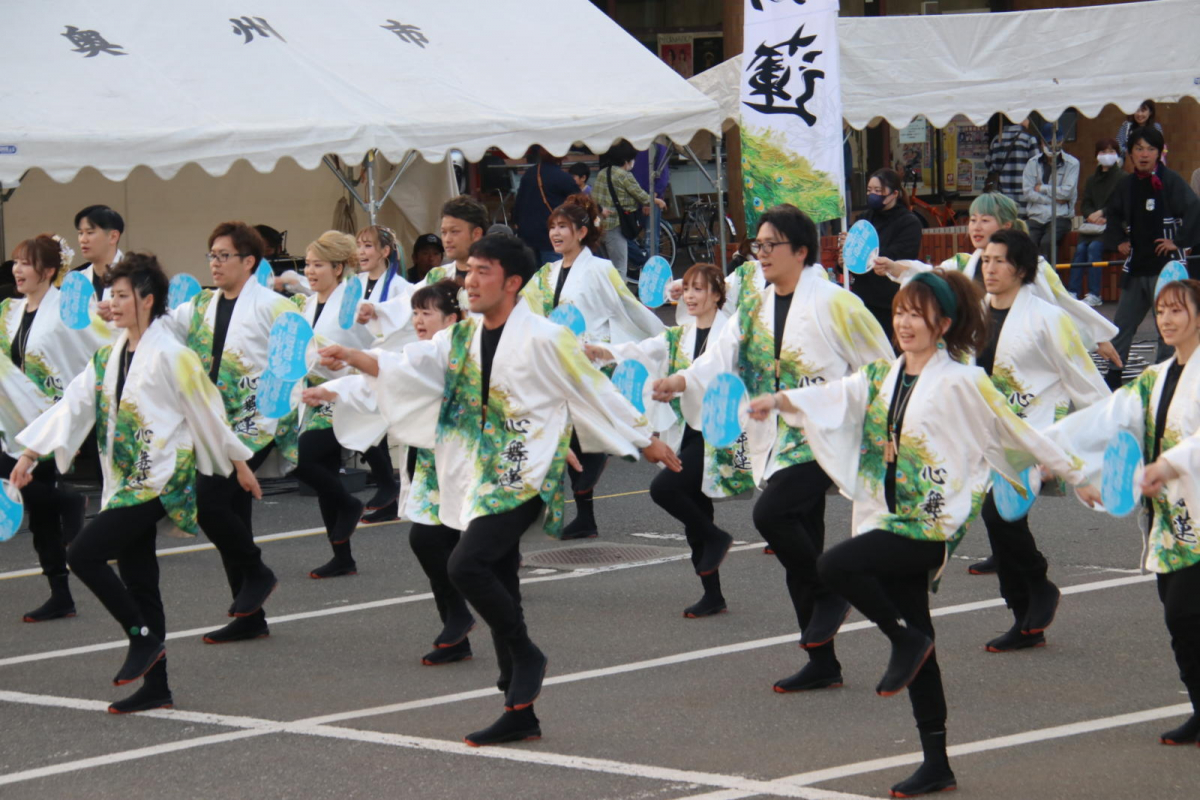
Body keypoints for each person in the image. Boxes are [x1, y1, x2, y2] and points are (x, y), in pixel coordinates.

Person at [312, 233, 680, 746]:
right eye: (468, 272)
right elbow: (406, 366)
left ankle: (526, 654)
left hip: (523, 473)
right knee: (501, 580)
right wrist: (354, 356)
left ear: (512, 282)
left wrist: (645, 441)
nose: (470, 281)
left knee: (466, 564)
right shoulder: (458, 338)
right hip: (474, 475)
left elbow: (593, 389)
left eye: (482, 271)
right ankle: (519, 709)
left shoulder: (545, 337)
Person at [749, 268, 1084, 798]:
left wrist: (1073, 472)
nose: (904, 322)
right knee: (920, 651)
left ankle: (904, 637)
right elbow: (834, 396)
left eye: (917, 313)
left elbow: (1013, 433)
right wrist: (781, 400)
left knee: (834, 566)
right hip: (885, 516)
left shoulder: (963, 380)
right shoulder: (884, 374)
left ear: (944, 323)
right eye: (900, 311)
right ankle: (936, 760)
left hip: (927, 524)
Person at [653, 204, 894, 694]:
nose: (759, 254)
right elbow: (722, 355)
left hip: (825, 431)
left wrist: (889, 430)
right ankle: (821, 658)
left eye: (770, 245)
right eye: (757, 246)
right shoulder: (756, 306)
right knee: (797, 544)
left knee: (772, 515)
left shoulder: (836, 302)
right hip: (779, 438)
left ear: (801, 251)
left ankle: (832, 591)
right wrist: (681, 378)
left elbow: (883, 366)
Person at [11, 253, 261, 714]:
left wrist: (238, 461)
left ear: (148, 300)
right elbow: (74, 407)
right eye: (111, 295)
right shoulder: (109, 354)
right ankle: (157, 686)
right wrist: (30, 452)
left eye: (123, 295)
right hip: (123, 480)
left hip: (163, 477)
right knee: (141, 579)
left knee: (82, 553)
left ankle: (142, 637)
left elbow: (206, 411)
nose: (114, 303)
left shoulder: (173, 355)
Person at [1048, 279, 1200, 747]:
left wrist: (1169, 462)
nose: (1167, 319)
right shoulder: (1155, 378)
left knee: (1186, 613)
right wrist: (1057, 456)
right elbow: (1105, 419)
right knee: (1179, 621)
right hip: (1170, 523)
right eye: (1161, 311)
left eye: (1178, 310)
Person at [311, 280, 477, 666]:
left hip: (467, 461)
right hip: (432, 463)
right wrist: (332, 390)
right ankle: (457, 627)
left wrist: (352, 358)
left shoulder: (459, 347)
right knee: (432, 541)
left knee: (454, 548)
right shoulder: (418, 353)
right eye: (415, 313)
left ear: (452, 318)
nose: (418, 320)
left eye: (427, 313)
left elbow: (391, 369)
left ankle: (483, 627)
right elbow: (382, 381)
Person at [973, 229, 1110, 652]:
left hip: (1034, 437)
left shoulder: (1048, 319)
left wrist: (1105, 435)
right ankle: (1025, 616)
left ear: (1023, 269)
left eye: (999, 261)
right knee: (999, 526)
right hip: (986, 438)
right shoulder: (976, 310)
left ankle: (1038, 585)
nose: (989, 268)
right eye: (986, 260)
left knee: (1001, 517)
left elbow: (1084, 382)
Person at [587, 263, 749, 617]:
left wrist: (679, 380)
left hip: (722, 431)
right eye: (687, 288)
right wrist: (606, 351)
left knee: (666, 489)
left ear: (718, 295)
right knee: (695, 512)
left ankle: (717, 537)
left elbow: (713, 372)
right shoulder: (679, 335)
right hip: (691, 430)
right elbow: (644, 349)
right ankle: (712, 592)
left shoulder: (730, 335)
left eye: (699, 289)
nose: (690, 295)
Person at [160, 222, 295, 644]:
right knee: (233, 512)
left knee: (211, 502)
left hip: (256, 421)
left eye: (224, 256)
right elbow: (161, 328)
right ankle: (250, 612)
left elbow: (291, 363)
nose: (215, 264)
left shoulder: (275, 307)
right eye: (212, 256)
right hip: (214, 422)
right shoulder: (200, 305)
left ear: (249, 261)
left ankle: (256, 572)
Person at [521, 195, 666, 539]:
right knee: (569, 437)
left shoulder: (599, 269)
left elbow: (627, 306)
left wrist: (662, 337)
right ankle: (586, 517)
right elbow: (522, 307)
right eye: (553, 227)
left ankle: (589, 489)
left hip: (593, 362)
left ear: (582, 232)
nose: (555, 234)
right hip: (560, 366)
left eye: (563, 227)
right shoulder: (546, 273)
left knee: (586, 437)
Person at [0, 234, 104, 622]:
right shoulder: (8, 311)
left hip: (51, 416)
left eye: (25, 263)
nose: (17, 270)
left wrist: (75, 425)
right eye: (15, 263)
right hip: (14, 421)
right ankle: (60, 591)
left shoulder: (68, 309)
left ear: (48, 270)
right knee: (39, 508)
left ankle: (60, 591)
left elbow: (90, 358)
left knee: (40, 512)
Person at [277, 231, 374, 579]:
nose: (311, 270)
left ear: (338, 267)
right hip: (314, 396)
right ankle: (342, 555)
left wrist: (348, 363)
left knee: (302, 458)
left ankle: (350, 503)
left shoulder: (353, 303)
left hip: (346, 392)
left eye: (318, 264)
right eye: (307, 264)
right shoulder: (307, 303)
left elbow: (374, 347)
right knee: (325, 471)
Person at [1102, 126, 1200, 390]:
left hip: (1166, 269)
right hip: (1136, 266)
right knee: (1121, 326)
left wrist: (1177, 242)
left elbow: (1194, 209)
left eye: (1150, 149)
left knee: (1167, 327)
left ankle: (1167, 379)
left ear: (1159, 153)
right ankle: (1112, 377)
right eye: (1139, 149)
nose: (1144, 154)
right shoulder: (1125, 184)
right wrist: (1119, 241)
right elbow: (1112, 214)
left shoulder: (1171, 180)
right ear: (1131, 153)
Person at [354, 225, 413, 522]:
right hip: (359, 360)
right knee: (360, 421)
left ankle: (391, 488)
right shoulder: (355, 283)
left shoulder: (401, 287)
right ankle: (388, 487)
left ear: (384, 252)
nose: (361, 252)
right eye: (359, 246)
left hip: (389, 360)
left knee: (382, 425)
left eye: (368, 246)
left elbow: (402, 326)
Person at [841, 168, 922, 341]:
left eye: (878, 191)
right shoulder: (864, 219)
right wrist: (844, 259)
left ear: (894, 194)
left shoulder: (909, 222)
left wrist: (862, 250)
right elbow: (853, 266)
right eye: (869, 190)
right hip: (862, 300)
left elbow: (901, 257)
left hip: (889, 303)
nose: (872, 195)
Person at [593, 140, 666, 283]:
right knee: (620, 268)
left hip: (600, 226)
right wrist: (658, 201)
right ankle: (618, 302)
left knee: (607, 268)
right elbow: (641, 196)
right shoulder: (624, 176)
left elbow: (595, 198)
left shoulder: (602, 173)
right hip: (616, 226)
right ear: (626, 160)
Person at [1069, 138, 1123, 306]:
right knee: (1080, 249)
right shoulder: (1092, 179)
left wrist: (1103, 213)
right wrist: (1091, 215)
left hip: (1112, 227)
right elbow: (1085, 203)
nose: (1107, 155)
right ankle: (1073, 291)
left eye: (1111, 151)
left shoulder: (1123, 177)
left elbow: (1120, 203)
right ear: (1096, 156)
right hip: (1092, 226)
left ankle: (1094, 294)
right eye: (1103, 152)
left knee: (1094, 248)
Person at [1022, 125, 1080, 263]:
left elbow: (1067, 192)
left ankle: (1049, 280)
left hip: (1060, 216)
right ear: (1042, 143)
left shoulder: (1072, 163)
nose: (1053, 146)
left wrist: (1042, 188)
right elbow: (1028, 193)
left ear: (1062, 142)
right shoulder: (1032, 163)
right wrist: (1054, 199)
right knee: (1027, 242)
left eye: (1057, 142)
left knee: (1047, 243)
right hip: (1035, 216)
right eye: (1049, 143)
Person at [513, 148, 578, 266]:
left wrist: (517, 223)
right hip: (551, 234)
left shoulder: (529, 174)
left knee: (534, 277)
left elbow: (518, 204)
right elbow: (580, 201)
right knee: (554, 276)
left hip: (528, 234)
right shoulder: (563, 177)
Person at [73, 205, 124, 312]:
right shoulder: (76, 281)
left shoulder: (137, 276)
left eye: (90, 233)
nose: (83, 239)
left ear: (113, 236)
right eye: (80, 233)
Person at [985, 118, 1039, 216]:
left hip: (1001, 196)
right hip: (1023, 196)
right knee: (1021, 227)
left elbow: (988, 162)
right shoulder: (1029, 139)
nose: (1029, 120)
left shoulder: (997, 139)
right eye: (1027, 117)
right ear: (1019, 118)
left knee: (1004, 224)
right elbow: (1037, 167)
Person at [434, 196, 489, 285]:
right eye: (443, 232)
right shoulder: (436, 276)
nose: (447, 239)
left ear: (476, 234)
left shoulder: (499, 277)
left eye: (454, 231)